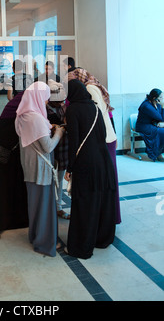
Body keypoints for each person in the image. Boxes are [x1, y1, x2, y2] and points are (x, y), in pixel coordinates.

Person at [64, 79, 116, 259]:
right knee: (100, 202)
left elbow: (74, 142)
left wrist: (69, 167)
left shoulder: (73, 109)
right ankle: (101, 239)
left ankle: (81, 247)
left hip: (86, 163)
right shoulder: (94, 107)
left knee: (84, 205)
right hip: (103, 160)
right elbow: (101, 134)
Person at [15, 81, 64, 257]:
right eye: (45, 98)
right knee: (44, 206)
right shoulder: (35, 119)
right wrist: (59, 132)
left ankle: (35, 236)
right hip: (40, 169)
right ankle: (44, 243)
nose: (46, 102)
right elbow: (48, 146)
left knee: (35, 205)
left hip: (29, 167)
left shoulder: (23, 115)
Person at [68, 67, 121, 224]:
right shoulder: (93, 86)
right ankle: (107, 217)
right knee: (106, 179)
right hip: (105, 137)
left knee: (105, 181)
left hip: (102, 138)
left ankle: (107, 217)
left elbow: (95, 115)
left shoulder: (90, 88)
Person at [0, 92, 29, 240]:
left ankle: (15, 220)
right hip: (1, 149)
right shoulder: (26, 100)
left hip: (14, 149)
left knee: (15, 184)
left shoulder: (29, 99)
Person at [46, 80, 70, 219]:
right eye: (58, 101)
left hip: (63, 146)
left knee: (60, 178)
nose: (61, 104)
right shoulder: (43, 107)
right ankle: (48, 207)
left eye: (63, 101)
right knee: (47, 178)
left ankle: (58, 207)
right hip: (48, 146)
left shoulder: (65, 107)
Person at [136, 88, 164, 162]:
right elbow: (160, 117)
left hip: (152, 124)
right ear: (155, 98)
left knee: (161, 130)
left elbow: (161, 119)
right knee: (161, 132)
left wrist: (162, 123)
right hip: (143, 126)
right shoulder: (146, 105)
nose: (162, 98)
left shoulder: (157, 104)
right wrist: (163, 106)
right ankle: (156, 153)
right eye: (161, 97)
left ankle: (159, 152)